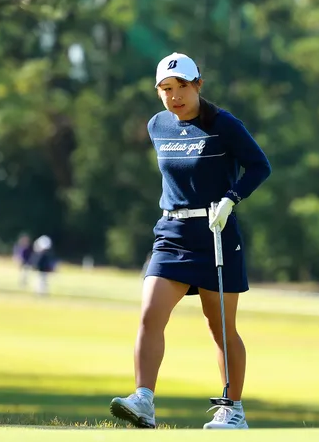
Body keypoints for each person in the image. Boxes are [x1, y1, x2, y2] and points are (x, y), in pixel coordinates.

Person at [109, 52, 271, 430]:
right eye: (166, 88)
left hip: (216, 233)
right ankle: (143, 400)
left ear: (198, 85)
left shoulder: (223, 125)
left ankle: (233, 411)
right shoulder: (157, 125)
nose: (175, 95)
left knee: (220, 328)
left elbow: (259, 165)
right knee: (150, 314)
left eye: (182, 86)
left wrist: (231, 198)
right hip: (172, 233)